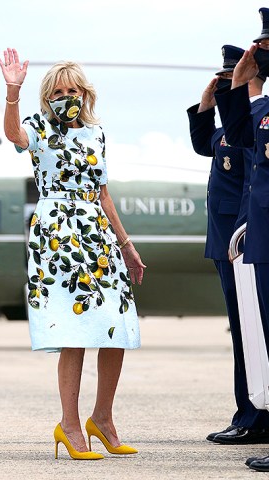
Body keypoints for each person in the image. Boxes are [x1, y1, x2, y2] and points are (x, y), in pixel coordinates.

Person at [0, 48, 146, 460]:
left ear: (85, 93)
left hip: (97, 235)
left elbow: (102, 191)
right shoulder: (39, 128)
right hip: (58, 235)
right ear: (49, 97)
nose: (67, 96)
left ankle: (102, 417)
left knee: (116, 325)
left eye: (73, 89)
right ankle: (68, 424)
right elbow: (15, 136)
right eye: (59, 91)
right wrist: (13, 91)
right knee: (73, 332)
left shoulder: (97, 134)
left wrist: (126, 244)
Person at [187, 45, 269, 445]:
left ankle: (254, 415)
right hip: (226, 244)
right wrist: (206, 102)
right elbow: (204, 143)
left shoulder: (251, 124)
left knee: (251, 334)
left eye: (227, 82)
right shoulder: (229, 130)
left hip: (243, 242)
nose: (222, 89)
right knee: (243, 333)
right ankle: (249, 411)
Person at [215, 7, 269, 472]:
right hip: (259, 240)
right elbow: (237, 135)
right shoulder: (261, 105)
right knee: (261, 339)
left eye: (265, 48)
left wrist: (251, 91)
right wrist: (240, 85)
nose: (260, 55)